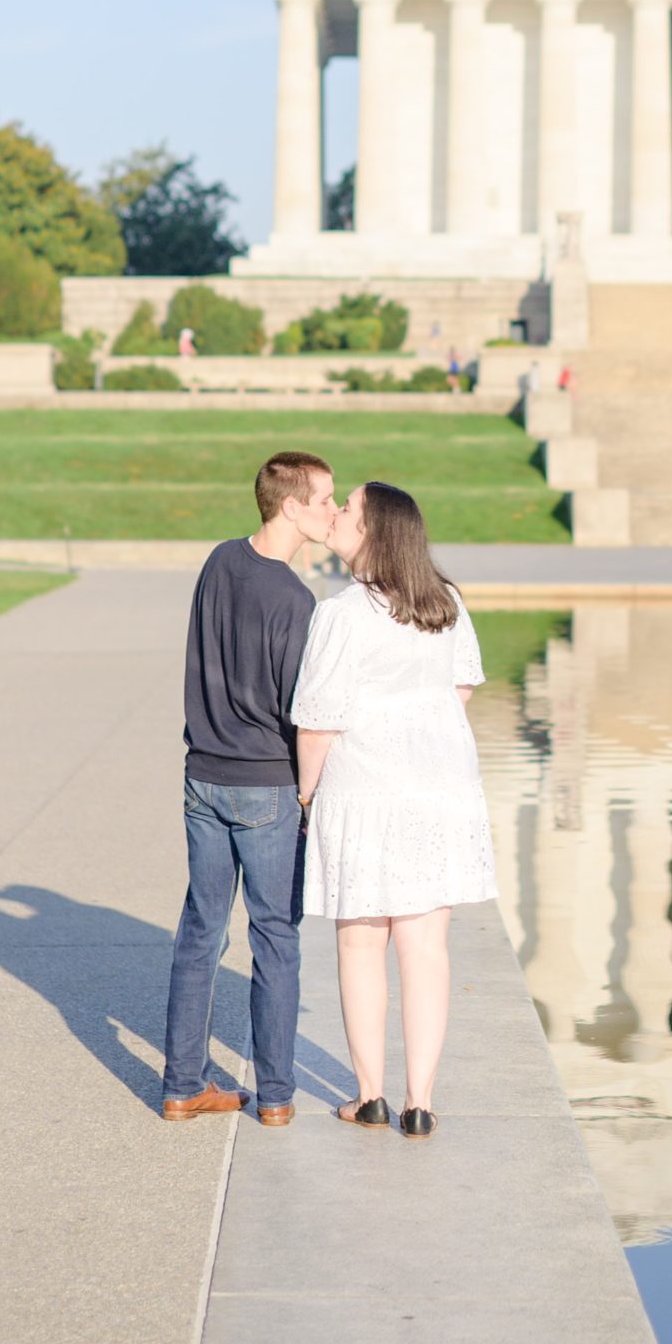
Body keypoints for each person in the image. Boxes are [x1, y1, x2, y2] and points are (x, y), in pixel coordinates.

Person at [292, 481, 496, 1140]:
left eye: (346, 507)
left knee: (359, 941)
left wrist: (305, 793)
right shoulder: (447, 602)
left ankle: (370, 1094)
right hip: (439, 786)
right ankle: (421, 1101)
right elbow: (459, 686)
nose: (337, 513)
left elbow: (318, 720)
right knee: (426, 947)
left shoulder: (342, 613)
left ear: (374, 530)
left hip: (364, 786)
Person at [161, 449, 337, 1127]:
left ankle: (182, 1085)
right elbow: (303, 712)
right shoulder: (295, 600)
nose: (331, 511)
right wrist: (309, 796)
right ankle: (277, 1096)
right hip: (265, 786)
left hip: (203, 776)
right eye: (324, 499)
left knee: (200, 931)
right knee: (275, 939)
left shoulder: (218, 560)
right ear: (290, 505)